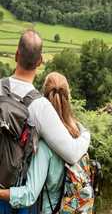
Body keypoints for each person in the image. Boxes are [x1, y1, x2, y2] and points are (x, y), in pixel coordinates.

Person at [0, 30, 90, 213]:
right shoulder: (41, 107)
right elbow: (71, 154)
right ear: (40, 61)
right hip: (16, 195)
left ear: (16, 54)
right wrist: (85, 135)